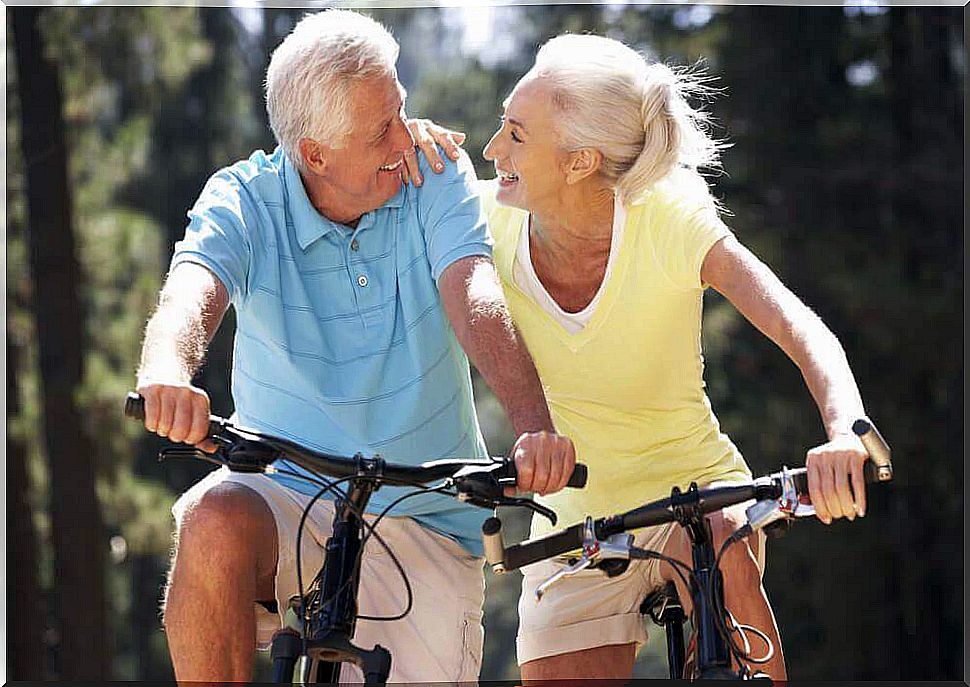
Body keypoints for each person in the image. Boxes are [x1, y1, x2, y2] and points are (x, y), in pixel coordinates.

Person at [134, 10, 576, 683]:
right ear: (314, 153)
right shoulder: (245, 199)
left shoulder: (434, 171)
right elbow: (191, 291)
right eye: (380, 132)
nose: (405, 138)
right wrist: (167, 369)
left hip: (425, 515)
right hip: (288, 496)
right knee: (215, 517)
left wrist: (532, 424)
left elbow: (474, 291)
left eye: (400, 111)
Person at [415, 33, 873, 681]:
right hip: (575, 521)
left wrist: (845, 430)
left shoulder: (669, 214)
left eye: (515, 134)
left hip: (700, 494)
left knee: (719, 545)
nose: (492, 151)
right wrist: (393, 148)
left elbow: (796, 323)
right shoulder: (481, 222)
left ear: (580, 162)